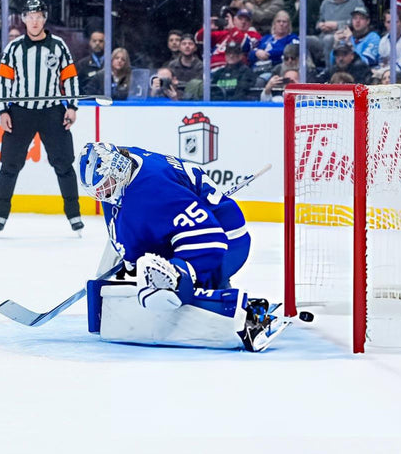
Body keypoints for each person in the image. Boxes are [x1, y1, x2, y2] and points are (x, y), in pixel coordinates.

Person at [77, 143, 278, 352]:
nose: (103, 192)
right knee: (153, 278)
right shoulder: (126, 160)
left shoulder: (152, 191)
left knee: (166, 292)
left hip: (227, 242)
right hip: (187, 229)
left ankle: (246, 316)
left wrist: (179, 274)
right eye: (97, 189)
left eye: (105, 184)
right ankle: (211, 287)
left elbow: (211, 240)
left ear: (117, 169)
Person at [0, 0, 83, 238]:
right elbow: (3, 80)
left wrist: (71, 106)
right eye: (30, 16)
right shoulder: (13, 48)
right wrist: (3, 110)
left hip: (52, 111)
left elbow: (70, 77)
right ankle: (0, 215)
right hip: (20, 112)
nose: (34, 21)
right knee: (9, 165)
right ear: (23, 20)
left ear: (44, 19)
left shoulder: (59, 46)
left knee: (64, 164)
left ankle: (74, 214)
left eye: (38, 16)